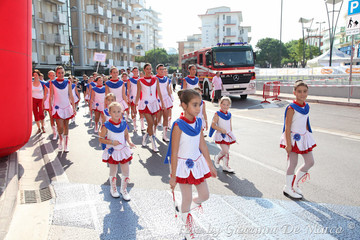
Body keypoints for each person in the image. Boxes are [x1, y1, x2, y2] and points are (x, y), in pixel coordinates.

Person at [164, 89, 217, 240]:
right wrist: (173, 176)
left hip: (197, 164)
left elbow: (203, 146)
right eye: (194, 105)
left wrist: (211, 165)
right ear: (183, 105)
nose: (198, 108)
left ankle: (183, 209)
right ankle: (187, 227)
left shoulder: (199, 121)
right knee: (186, 198)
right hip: (182, 166)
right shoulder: (178, 125)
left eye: (199, 105)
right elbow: (173, 152)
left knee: (205, 195)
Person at [280, 80, 316, 199]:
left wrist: (308, 137)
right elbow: (288, 126)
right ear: (294, 92)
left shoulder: (306, 106)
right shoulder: (291, 108)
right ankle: (288, 187)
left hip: (303, 138)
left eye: (304, 91)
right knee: (293, 163)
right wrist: (288, 144)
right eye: (299, 91)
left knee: (310, 162)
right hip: (293, 139)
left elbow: (305, 122)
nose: (302, 94)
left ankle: (295, 184)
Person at [99, 102, 135, 200]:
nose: (117, 113)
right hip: (113, 151)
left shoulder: (123, 123)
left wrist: (130, 142)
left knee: (126, 171)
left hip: (123, 150)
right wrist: (111, 142)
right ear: (109, 112)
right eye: (114, 111)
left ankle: (124, 190)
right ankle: (113, 189)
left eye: (119, 111)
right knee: (113, 171)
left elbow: (126, 135)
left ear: (122, 112)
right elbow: (101, 139)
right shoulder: (106, 125)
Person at [135, 63, 165, 152]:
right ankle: (153, 142)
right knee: (150, 123)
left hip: (154, 103)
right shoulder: (140, 81)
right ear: (144, 70)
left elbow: (159, 92)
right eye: (147, 69)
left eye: (150, 69)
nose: (149, 70)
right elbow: (138, 93)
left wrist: (162, 103)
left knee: (154, 123)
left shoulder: (156, 79)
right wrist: (135, 104)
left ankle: (145, 137)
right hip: (145, 104)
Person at [49, 66, 76, 152]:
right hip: (58, 107)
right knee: (60, 126)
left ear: (64, 73)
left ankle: (66, 145)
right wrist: (50, 107)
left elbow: (71, 95)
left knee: (66, 126)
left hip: (66, 106)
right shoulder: (52, 82)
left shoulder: (68, 82)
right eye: (59, 73)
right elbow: (51, 96)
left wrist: (74, 107)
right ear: (56, 73)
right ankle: (60, 140)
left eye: (62, 73)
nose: (61, 74)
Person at [209, 96, 236, 173]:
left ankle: (225, 166)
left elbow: (230, 125)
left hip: (228, 135)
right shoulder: (217, 114)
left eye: (227, 105)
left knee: (227, 152)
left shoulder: (229, 114)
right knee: (225, 150)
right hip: (221, 135)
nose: (225, 106)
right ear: (220, 104)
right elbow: (213, 125)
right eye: (224, 104)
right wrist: (221, 130)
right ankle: (217, 158)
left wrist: (231, 134)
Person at [155, 64, 173, 142]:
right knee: (158, 119)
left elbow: (168, 89)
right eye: (160, 69)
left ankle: (164, 135)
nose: (162, 71)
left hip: (166, 99)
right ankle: (153, 133)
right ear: (157, 70)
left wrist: (170, 97)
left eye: (163, 69)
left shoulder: (166, 79)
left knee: (166, 117)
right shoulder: (154, 79)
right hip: (158, 100)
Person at [32, 69, 47, 134]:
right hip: (33, 99)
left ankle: (43, 126)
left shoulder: (42, 83)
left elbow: (46, 92)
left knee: (41, 113)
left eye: (36, 75)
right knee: (35, 113)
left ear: (39, 75)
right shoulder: (31, 83)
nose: (35, 76)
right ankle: (38, 128)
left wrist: (45, 99)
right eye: (34, 75)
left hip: (41, 99)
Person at [44, 70, 58, 139]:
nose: (52, 76)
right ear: (49, 76)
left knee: (58, 117)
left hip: (57, 101)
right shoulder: (46, 84)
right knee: (51, 118)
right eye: (51, 75)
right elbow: (45, 94)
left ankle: (59, 130)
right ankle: (54, 133)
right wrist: (43, 104)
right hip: (50, 101)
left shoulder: (58, 83)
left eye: (53, 75)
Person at [128, 67, 142, 132]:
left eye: (137, 71)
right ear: (132, 72)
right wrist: (128, 98)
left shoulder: (141, 79)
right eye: (135, 71)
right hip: (132, 97)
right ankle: (134, 125)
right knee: (133, 111)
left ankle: (142, 126)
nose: (136, 72)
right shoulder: (130, 80)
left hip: (140, 97)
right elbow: (128, 90)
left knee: (141, 111)